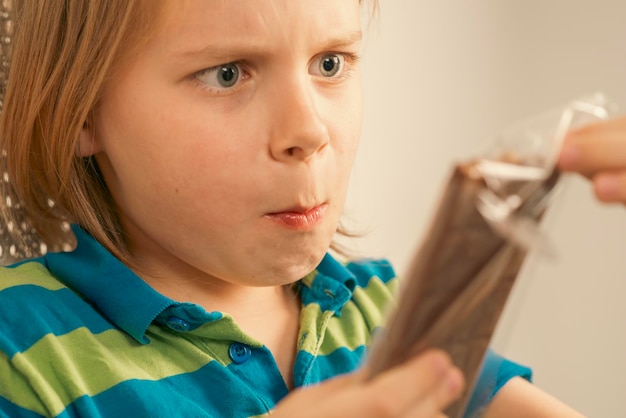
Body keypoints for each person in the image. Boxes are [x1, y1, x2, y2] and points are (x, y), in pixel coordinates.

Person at [0, 0, 613, 416]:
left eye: (330, 64)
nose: (308, 130)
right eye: (227, 74)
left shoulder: (392, 316)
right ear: (76, 110)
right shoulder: (20, 348)